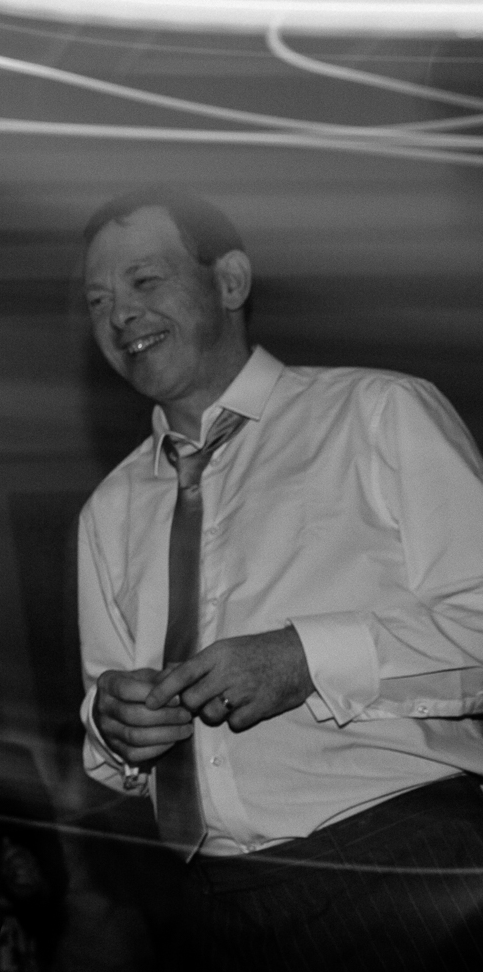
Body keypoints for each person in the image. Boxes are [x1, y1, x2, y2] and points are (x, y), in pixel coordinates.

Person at [77, 187, 483, 970]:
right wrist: (115, 728)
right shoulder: (108, 511)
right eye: (98, 300)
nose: (119, 314)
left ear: (229, 282)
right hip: (209, 907)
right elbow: (109, 745)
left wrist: (306, 661)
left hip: (407, 862)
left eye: (145, 282)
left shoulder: (379, 413)